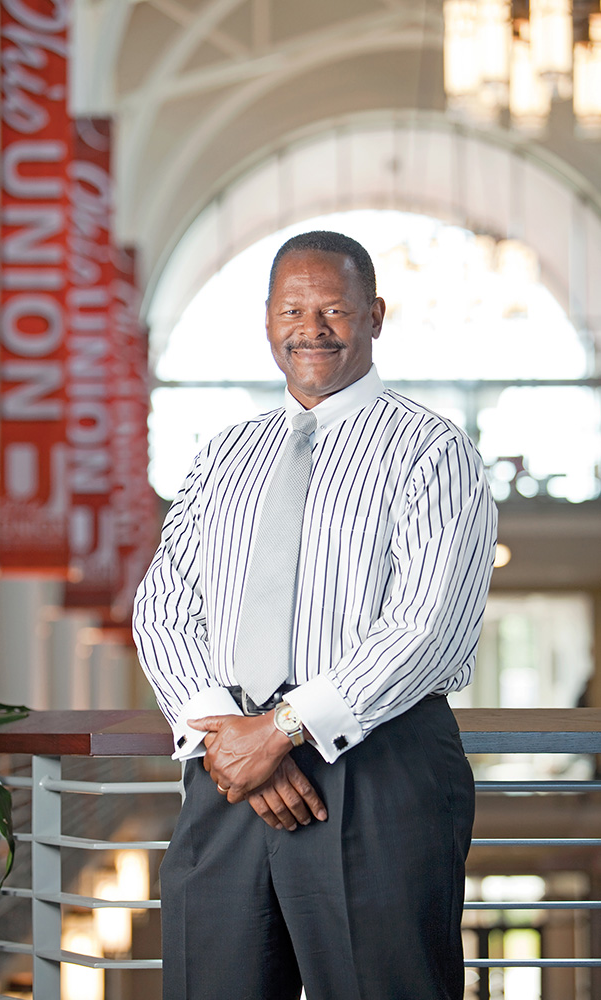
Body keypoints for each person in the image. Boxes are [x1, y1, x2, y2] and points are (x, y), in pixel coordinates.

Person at [133, 230, 497, 1000]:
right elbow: (164, 603)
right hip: (224, 770)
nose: (313, 328)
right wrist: (228, 734)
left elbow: (426, 627)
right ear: (266, 319)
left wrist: (281, 730)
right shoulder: (225, 452)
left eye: (334, 308)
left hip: (378, 767)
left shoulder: (432, 450)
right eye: (292, 309)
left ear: (374, 315)